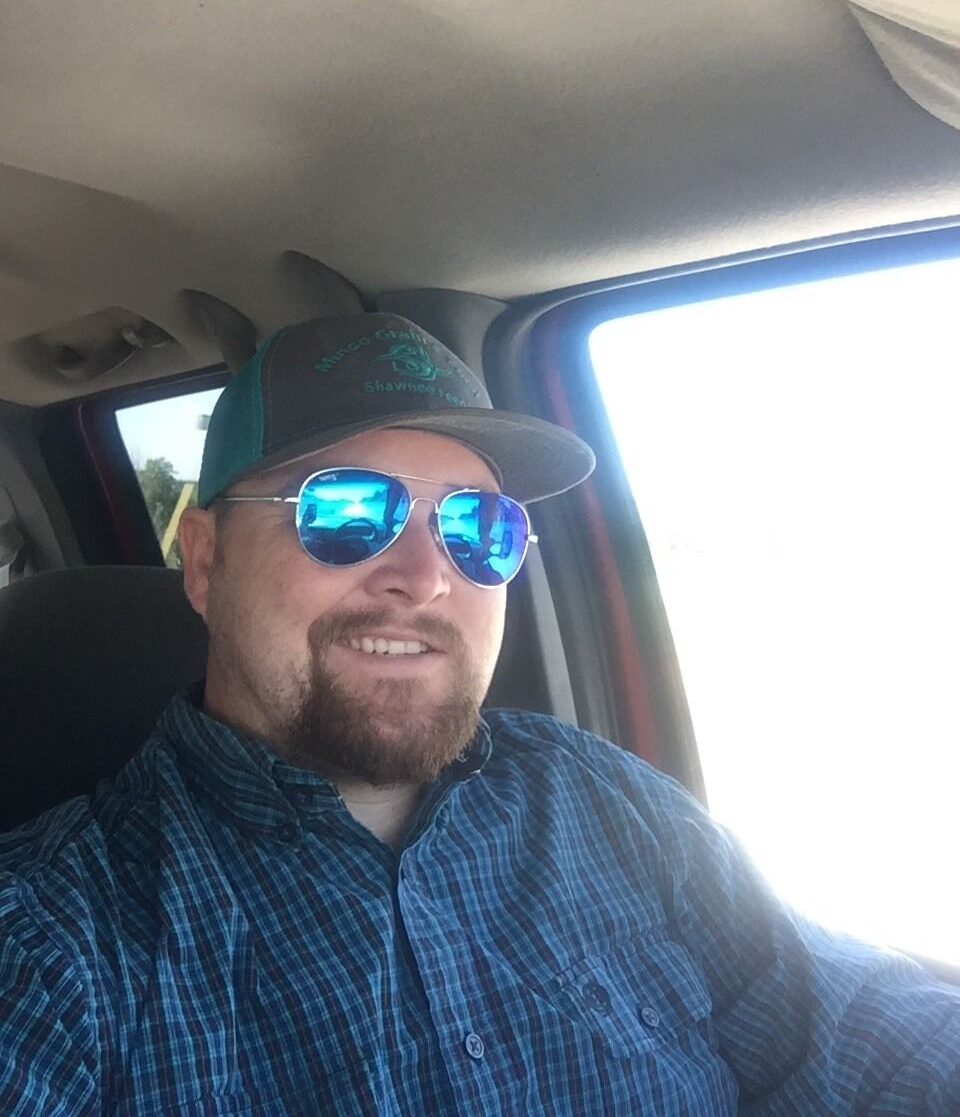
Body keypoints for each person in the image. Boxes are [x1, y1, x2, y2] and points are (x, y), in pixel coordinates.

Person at [1, 313, 957, 1116]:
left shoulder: (601, 799)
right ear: (206, 561)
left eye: (478, 528)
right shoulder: (53, 943)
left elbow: (849, 1027)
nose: (426, 578)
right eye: (346, 512)